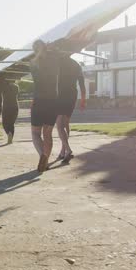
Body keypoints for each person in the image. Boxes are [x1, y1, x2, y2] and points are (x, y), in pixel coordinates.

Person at [30, 40, 60, 172]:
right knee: (48, 134)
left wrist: (44, 50)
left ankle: (43, 155)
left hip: (39, 101)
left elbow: (37, 62)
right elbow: (56, 54)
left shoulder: (32, 63)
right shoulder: (54, 60)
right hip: (53, 101)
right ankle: (46, 161)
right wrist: (51, 50)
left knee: (35, 133)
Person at [56, 55, 86, 162]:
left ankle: (67, 150)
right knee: (66, 123)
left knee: (59, 125)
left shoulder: (58, 62)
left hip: (61, 95)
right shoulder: (76, 64)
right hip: (72, 95)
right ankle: (63, 151)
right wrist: (83, 99)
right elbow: (81, 83)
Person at [2, 80, 19, 144]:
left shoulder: (4, 87)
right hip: (15, 106)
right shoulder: (16, 87)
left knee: (5, 123)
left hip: (6, 106)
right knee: (11, 123)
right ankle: (11, 136)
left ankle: (8, 133)